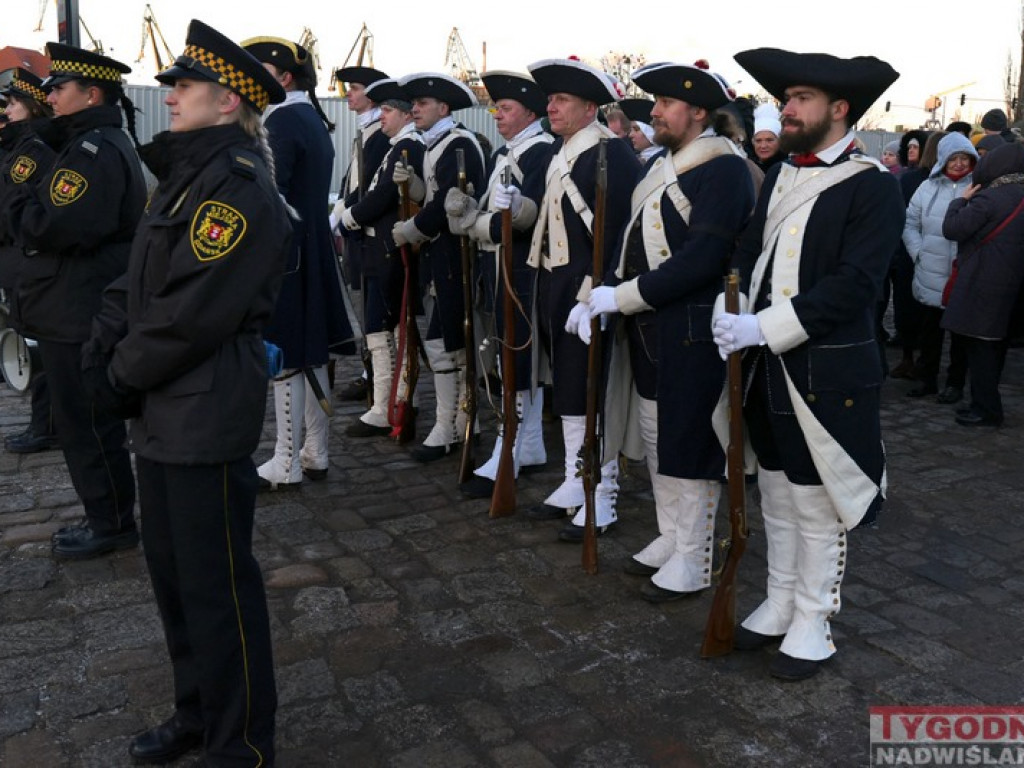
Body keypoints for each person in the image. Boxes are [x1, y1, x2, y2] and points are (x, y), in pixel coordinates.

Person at [82, 19, 288, 765]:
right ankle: (197, 714)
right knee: (173, 581)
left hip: (202, 404)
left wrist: (120, 373)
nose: (171, 95)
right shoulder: (185, 175)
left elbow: (191, 313)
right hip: (165, 407)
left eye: (186, 85)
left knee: (217, 589)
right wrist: (105, 342)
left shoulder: (235, 188)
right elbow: (133, 279)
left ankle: (241, 744)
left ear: (228, 103)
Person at [713, 47, 903, 680]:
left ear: (839, 109)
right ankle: (782, 597)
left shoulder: (872, 184)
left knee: (816, 499)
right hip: (766, 363)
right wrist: (728, 303)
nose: (786, 110)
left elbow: (855, 285)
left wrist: (760, 326)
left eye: (800, 100)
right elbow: (748, 246)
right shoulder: (786, 173)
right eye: (787, 99)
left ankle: (814, 618)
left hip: (826, 368)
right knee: (775, 487)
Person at [578, 60, 754, 601]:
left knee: (689, 441)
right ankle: (673, 536)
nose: (652, 112)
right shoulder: (664, 164)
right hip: (653, 324)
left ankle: (697, 556)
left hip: (693, 326)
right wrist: (597, 294)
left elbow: (703, 258)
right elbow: (632, 243)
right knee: (657, 435)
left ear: (697, 113)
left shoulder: (722, 169)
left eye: (664, 105)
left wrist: (621, 296)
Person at [3, 42, 145, 560]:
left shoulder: (94, 151)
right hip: (71, 304)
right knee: (81, 420)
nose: (51, 96)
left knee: (87, 422)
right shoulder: (85, 143)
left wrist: (17, 195)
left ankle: (110, 522)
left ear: (91, 94)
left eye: (59, 88)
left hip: (80, 308)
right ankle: (102, 513)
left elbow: (49, 223)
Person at [525, 57, 637, 540]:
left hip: (590, 292)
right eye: (549, 99)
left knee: (596, 391)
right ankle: (576, 480)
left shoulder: (611, 156)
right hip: (557, 284)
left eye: (562, 99)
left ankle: (602, 493)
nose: (551, 106)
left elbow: (619, 237)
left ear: (591, 107)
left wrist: (593, 294)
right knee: (570, 388)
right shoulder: (565, 150)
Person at [241, 36, 355, 489]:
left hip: (288, 253)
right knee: (311, 352)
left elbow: (271, 198)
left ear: (283, 77)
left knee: (288, 355)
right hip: (310, 248)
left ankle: (287, 460)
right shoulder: (306, 116)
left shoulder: (281, 122)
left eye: (259, 71)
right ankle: (315, 452)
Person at [443, 70, 555, 498]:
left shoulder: (540, 153)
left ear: (529, 112)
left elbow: (533, 216)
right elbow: (490, 210)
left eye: (505, 108)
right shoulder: (507, 152)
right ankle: (527, 446)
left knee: (520, 359)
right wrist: (470, 210)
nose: (498, 115)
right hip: (498, 264)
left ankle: (514, 447)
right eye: (496, 107)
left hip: (522, 268)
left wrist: (477, 223)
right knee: (509, 354)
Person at [391, 71, 486, 462]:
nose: (414, 109)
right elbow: (433, 194)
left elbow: (449, 201)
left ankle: (457, 423)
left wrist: (409, 229)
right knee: (441, 343)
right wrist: (413, 185)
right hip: (438, 255)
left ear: (444, 108)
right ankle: (457, 421)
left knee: (452, 342)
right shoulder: (436, 145)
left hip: (454, 255)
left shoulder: (458, 145)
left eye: (422, 103)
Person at [332, 78, 425, 438]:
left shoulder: (408, 146)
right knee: (383, 328)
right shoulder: (395, 145)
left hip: (388, 246)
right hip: (380, 246)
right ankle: (391, 402)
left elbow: (387, 193)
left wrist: (352, 216)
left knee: (381, 326)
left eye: (387, 110)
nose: (381, 116)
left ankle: (388, 406)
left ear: (404, 115)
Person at [942, 141, 1024, 426]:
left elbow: (952, 229)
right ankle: (985, 404)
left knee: (980, 350)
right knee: (994, 348)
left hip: (984, 284)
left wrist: (960, 201)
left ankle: (986, 409)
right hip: (1012, 287)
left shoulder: (990, 197)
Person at [0, 68, 59, 455]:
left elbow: (12, 204)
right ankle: (45, 422)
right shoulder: (16, 145)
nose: (7, 110)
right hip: (14, 257)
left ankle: (46, 426)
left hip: (23, 257)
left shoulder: (33, 149)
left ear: (33, 108)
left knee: (36, 345)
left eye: (14, 103)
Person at [333, 65, 393, 405]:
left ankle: (376, 378)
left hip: (370, 233)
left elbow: (371, 186)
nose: (349, 94)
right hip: (356, 229)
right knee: (364, 305)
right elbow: (352, 181)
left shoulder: (380, 135)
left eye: (355, 88)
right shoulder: (367, 130)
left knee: (374, 311)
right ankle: (370, 372)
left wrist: (347, 216)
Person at [902, 131, 977, 402]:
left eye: (964, 158)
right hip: (930, 270)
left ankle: (955, 384)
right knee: (930, 333)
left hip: (962, 273)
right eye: (953, 158)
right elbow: (910, 223)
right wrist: (917, 252)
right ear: (942, 159)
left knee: (959, 337)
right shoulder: (927, 187)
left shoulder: (980, 187)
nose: (958, 164)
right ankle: (927, 379)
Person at [619, 97, 661, 164]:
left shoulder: (661, 161)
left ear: (650, 133)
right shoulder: (640, 158)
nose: (630, 135)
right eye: (630, 130)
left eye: (636, 129)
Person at [751, 101, 785, 174]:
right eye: (758, 141)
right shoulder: (748, 168)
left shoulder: (786, 169)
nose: (763, 146)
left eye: (769, 140)